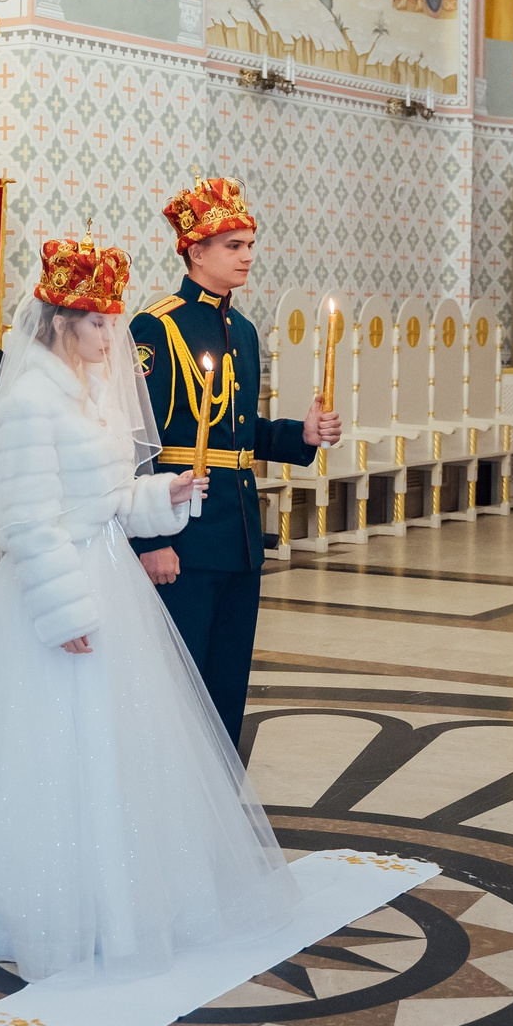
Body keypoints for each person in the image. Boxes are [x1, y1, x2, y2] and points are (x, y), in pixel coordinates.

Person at [0, 237, 298, 986]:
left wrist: (159, 500)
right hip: (55, 593)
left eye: (112, 321)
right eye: (98, 323)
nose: (114, 337)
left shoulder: (93, 389)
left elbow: (104, 499)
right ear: (59, 324)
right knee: (44, 752)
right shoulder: (34, 397)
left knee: (117, 754)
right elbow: (32, 521)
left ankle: (121, 896)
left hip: (109, 578)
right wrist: (65, 608)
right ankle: (19, 903)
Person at [128, 178, 343, 745]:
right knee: (177, 683)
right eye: (233, 245)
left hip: (241, 534)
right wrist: (150, 540)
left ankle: (217, 806)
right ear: (195, 252)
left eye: (250, 244)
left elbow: (240, 434)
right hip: (184, 534)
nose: (248, 255)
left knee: (227, 684)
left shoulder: (243, 330)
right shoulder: (157, 325)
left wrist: (302, 434)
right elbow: (135, 441)